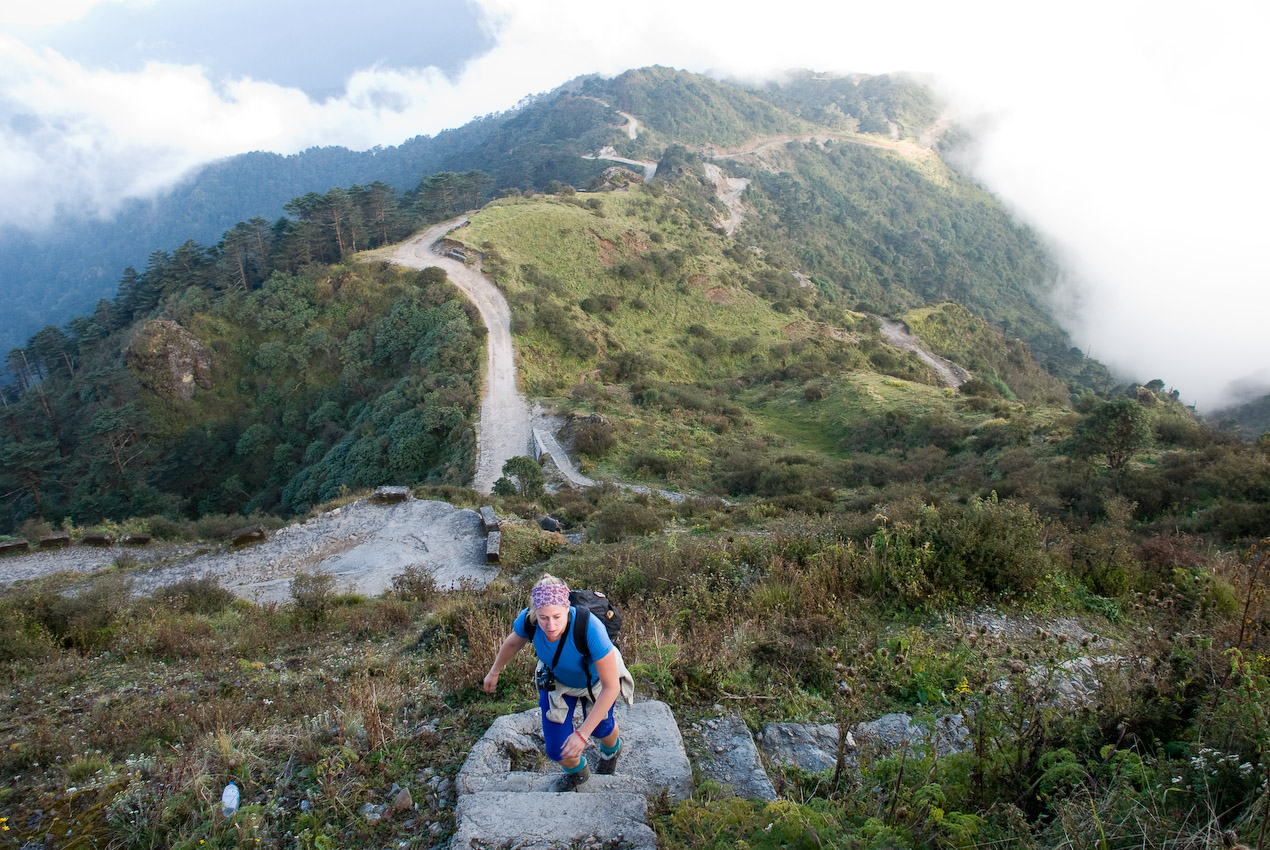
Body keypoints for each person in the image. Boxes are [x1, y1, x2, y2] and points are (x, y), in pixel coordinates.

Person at [483, 574, 630, 791]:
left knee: (601, 728)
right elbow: (513, 643)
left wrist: (582, 735)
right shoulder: (529, 621)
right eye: (543, 618)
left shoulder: (590, 628)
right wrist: (494, 671)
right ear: (535, 613)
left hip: (596, 683)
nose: (550, 625)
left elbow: (611, 687)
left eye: (557, 617)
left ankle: (611, 752)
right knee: (556, 749)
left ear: (567, 609)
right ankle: (578, 774)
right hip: (559, 681)